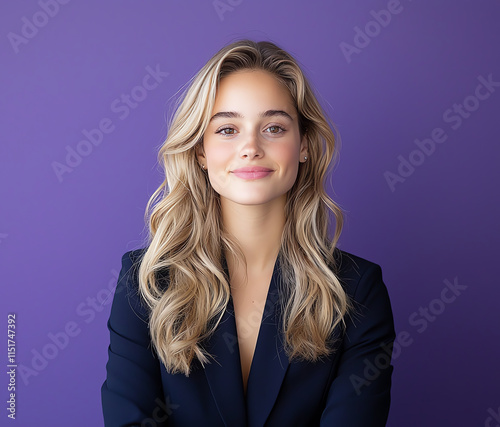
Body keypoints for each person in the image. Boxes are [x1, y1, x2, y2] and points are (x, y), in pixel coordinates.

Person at [101, 39, 396, 427]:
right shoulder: (146, 282)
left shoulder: (357, 289)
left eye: (273, 127)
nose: (250, 147)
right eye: (227, 129)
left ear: (303, 144)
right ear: (201, 151)